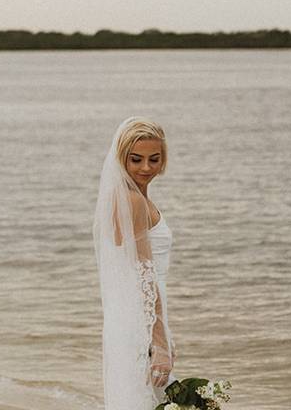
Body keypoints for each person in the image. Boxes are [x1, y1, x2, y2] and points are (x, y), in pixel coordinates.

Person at [93, 117, 177, 409]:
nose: (146, 168)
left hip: (132, 316)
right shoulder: (132, 202)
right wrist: (160, 344)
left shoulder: (126, 197)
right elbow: (144, 275)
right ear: (121, 159)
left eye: (154, 159)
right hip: (142, 319)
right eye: (136, 159)